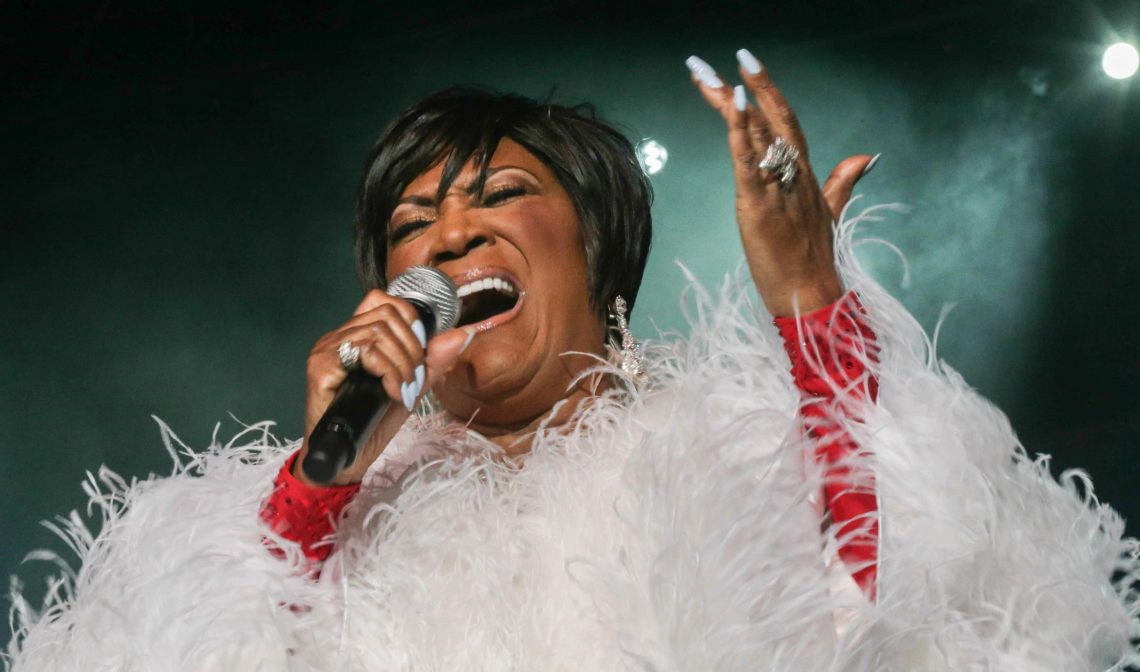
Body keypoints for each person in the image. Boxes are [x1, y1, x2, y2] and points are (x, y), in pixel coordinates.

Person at [6, 51, 1138, 671]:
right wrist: (318, 486)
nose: (448, 237)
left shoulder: (724, 448)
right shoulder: (307, 519)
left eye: (500, 196)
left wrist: (810, 306)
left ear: (600, 256)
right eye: (412, 224)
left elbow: (898, 621)